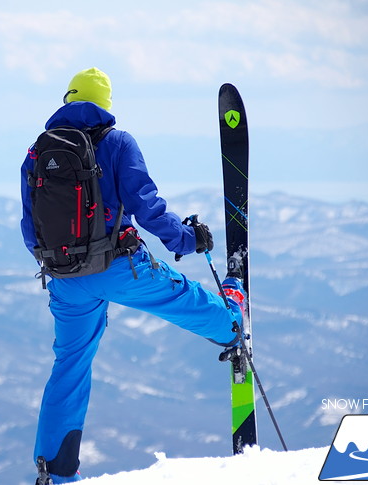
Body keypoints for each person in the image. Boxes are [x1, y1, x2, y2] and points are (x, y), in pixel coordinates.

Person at [20, 67, 244, 484]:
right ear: (105, 104)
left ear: (67, 99)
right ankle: (232, 322)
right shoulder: (117, 142)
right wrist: (185, 240)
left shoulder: (36, 153)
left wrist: (64, 267)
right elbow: (147, 205)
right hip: (118, 266)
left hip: (66, 280)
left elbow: (29, 227)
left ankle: (56, 472)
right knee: (181, 298)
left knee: (69, 367)